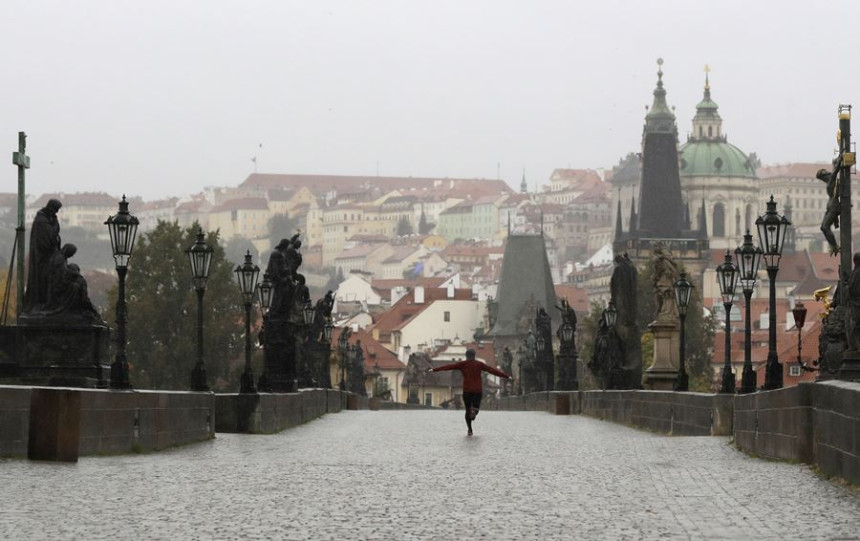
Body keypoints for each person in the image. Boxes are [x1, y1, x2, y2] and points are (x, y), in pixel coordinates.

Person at [429, 348, 511, 436]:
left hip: (467, 390)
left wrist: (434, 369)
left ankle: (470, 429)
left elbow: (448, 367)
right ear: (474, 355)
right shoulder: (479, 364)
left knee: (467, 410)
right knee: (476, 408)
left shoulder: (462, 364)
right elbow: (492, 371)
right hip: (477, 390)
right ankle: (474, 411)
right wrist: (506, 376)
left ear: (466, 356)